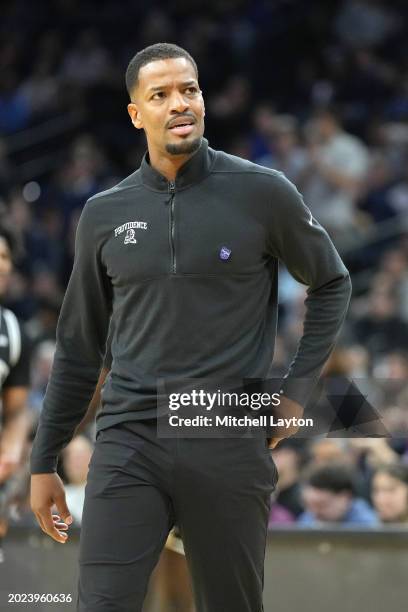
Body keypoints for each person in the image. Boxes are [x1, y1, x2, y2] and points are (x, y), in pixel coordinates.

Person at [30, 42, 352, 612]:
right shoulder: (104, 212)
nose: (180, 104)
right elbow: (80, 345)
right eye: (161, 95)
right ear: (136, 114)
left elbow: (331, 282)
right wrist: (44, 459)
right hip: (128, 435)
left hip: (227, 430)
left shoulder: (263, 191)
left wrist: (299, 393)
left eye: (190, 90)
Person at [0, 221, 31, 561]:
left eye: (6, 256)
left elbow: (17, 409)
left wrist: (11, 445)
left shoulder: (13, 329)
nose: (3, 264)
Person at [298, 463, 378, 526]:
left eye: (321, 505)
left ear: (345, 498)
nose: (314, 512)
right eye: (308, 505)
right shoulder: (308, 517)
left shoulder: (368, 526)